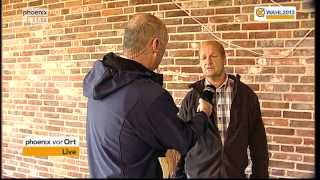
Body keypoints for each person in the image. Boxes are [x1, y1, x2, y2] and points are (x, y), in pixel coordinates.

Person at [83, 13, 213, 178]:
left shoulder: (102, 82)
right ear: (155, 44)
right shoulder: (148, 95)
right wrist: (203, 113)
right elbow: (184, 139)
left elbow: (130, 138)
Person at [172, 41, 269, 178]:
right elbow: (180, 141)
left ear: (224, 59)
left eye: (213, 56)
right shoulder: (191, 99)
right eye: (204, 57)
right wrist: (178, 175)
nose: (208, 62)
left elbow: (258, 144)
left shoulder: (246, 96)